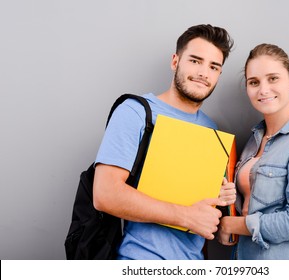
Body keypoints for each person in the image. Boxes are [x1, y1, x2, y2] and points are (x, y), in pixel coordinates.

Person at [92, 24, 235, 260]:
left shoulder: (211, 129)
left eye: (213, 67)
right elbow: (105, 194)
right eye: (195, 61)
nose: (203, 73)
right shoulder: (135, 112)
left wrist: (220, 197)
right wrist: (186, 216)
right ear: (175, 61)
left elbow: (198, 209)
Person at [217, 43, 289, 259]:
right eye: (254, 82)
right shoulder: (253, 141)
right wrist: (228, 219)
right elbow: (250, 207)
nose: (263, 89)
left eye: (273, 78)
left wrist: (233, 224)